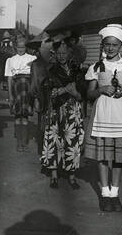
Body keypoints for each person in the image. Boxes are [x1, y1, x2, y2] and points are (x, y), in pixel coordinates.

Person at [85, 24, 122, 212]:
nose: (110, 48)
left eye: (114, 45)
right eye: (106, 44)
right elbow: (89, 94)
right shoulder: (96, 67)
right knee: (102, 156)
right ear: (103, 46)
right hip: (103, 115)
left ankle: (115, 193)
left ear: (121, 47)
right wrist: (101, 89)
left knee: (118, 157)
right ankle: (104, 194)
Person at [40, 40, 85, 190]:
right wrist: (57, 92)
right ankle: (54, 176)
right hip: (55, 110)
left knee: (72, 142)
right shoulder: (51, 70)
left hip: (73, 110)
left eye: (64, 53)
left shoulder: (76, 70)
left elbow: (80, 95)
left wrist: (70, 91)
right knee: (54, 140)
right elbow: (46, 90)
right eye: (58, 53)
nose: (61, 56)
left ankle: (71, 176)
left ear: (69, 53)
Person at [5, 38, 37, 152]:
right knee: (18, 117)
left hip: (27, 88)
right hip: (16, 88)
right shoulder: (10, 60)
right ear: (15, 47)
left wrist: (34, 94)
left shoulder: (32, 59)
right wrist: (10, 95)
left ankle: (24, 142)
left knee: (25, 117)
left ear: (26, 47)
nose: (21, 49)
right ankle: (19, 143)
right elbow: (9, 78)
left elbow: (35, 78)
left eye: (23, 47)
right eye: (18, 47)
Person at [28, 34, 51, 156]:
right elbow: (33, 84)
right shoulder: (36, 65)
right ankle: (44, 151)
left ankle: (44, 151)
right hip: (43, 96)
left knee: (44, 124)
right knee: (43, 124)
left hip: (47, 95)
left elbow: (33, 85)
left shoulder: (39, 64)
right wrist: (35, 98)